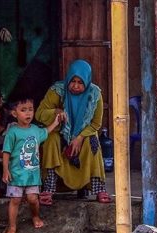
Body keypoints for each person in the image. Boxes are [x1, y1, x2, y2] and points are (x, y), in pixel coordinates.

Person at [35, 59, 112, 205]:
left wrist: (79, 137)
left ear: (87, 82)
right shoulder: (57, 91)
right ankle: (49, 188)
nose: (76, 86)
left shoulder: (94, 94)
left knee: (93, 141)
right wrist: (55, 112)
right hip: (60, 134)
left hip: (83, 135)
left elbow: (96, 124)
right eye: (73, 81)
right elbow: (39, 114)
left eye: (80, 82)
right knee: (50, 139)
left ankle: (99, 188)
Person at [2, 97, 61, 233]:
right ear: (14, 114)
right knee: (15, 200)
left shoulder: (35, 130)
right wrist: (5, 170)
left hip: (32, 175)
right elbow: (6, 152)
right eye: (23, 110)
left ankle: (35, 216)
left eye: (30, 109)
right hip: (16, 174)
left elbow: (46, 132)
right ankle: (12, 227)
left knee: (33, 198)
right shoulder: (12, 132)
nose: (28, 113)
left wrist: (56, 122)